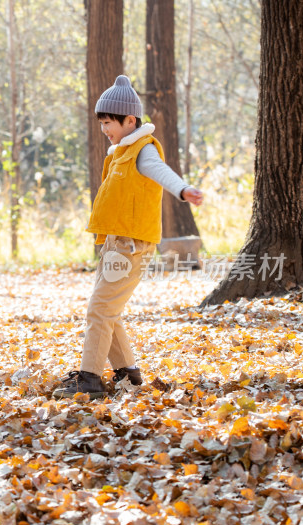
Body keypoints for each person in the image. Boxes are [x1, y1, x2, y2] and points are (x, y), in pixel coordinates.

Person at [53, 75, 204, 399]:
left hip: (130, 246)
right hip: (116, 244)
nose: (105, 129)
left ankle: (90, 379)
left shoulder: (142, 150)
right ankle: (127, 372)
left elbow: (159, 170)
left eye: (110, 122)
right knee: (107, 309)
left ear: (130, 120)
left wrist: (183, 189)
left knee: (99, 309)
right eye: (103, 123)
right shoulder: (120, 152)